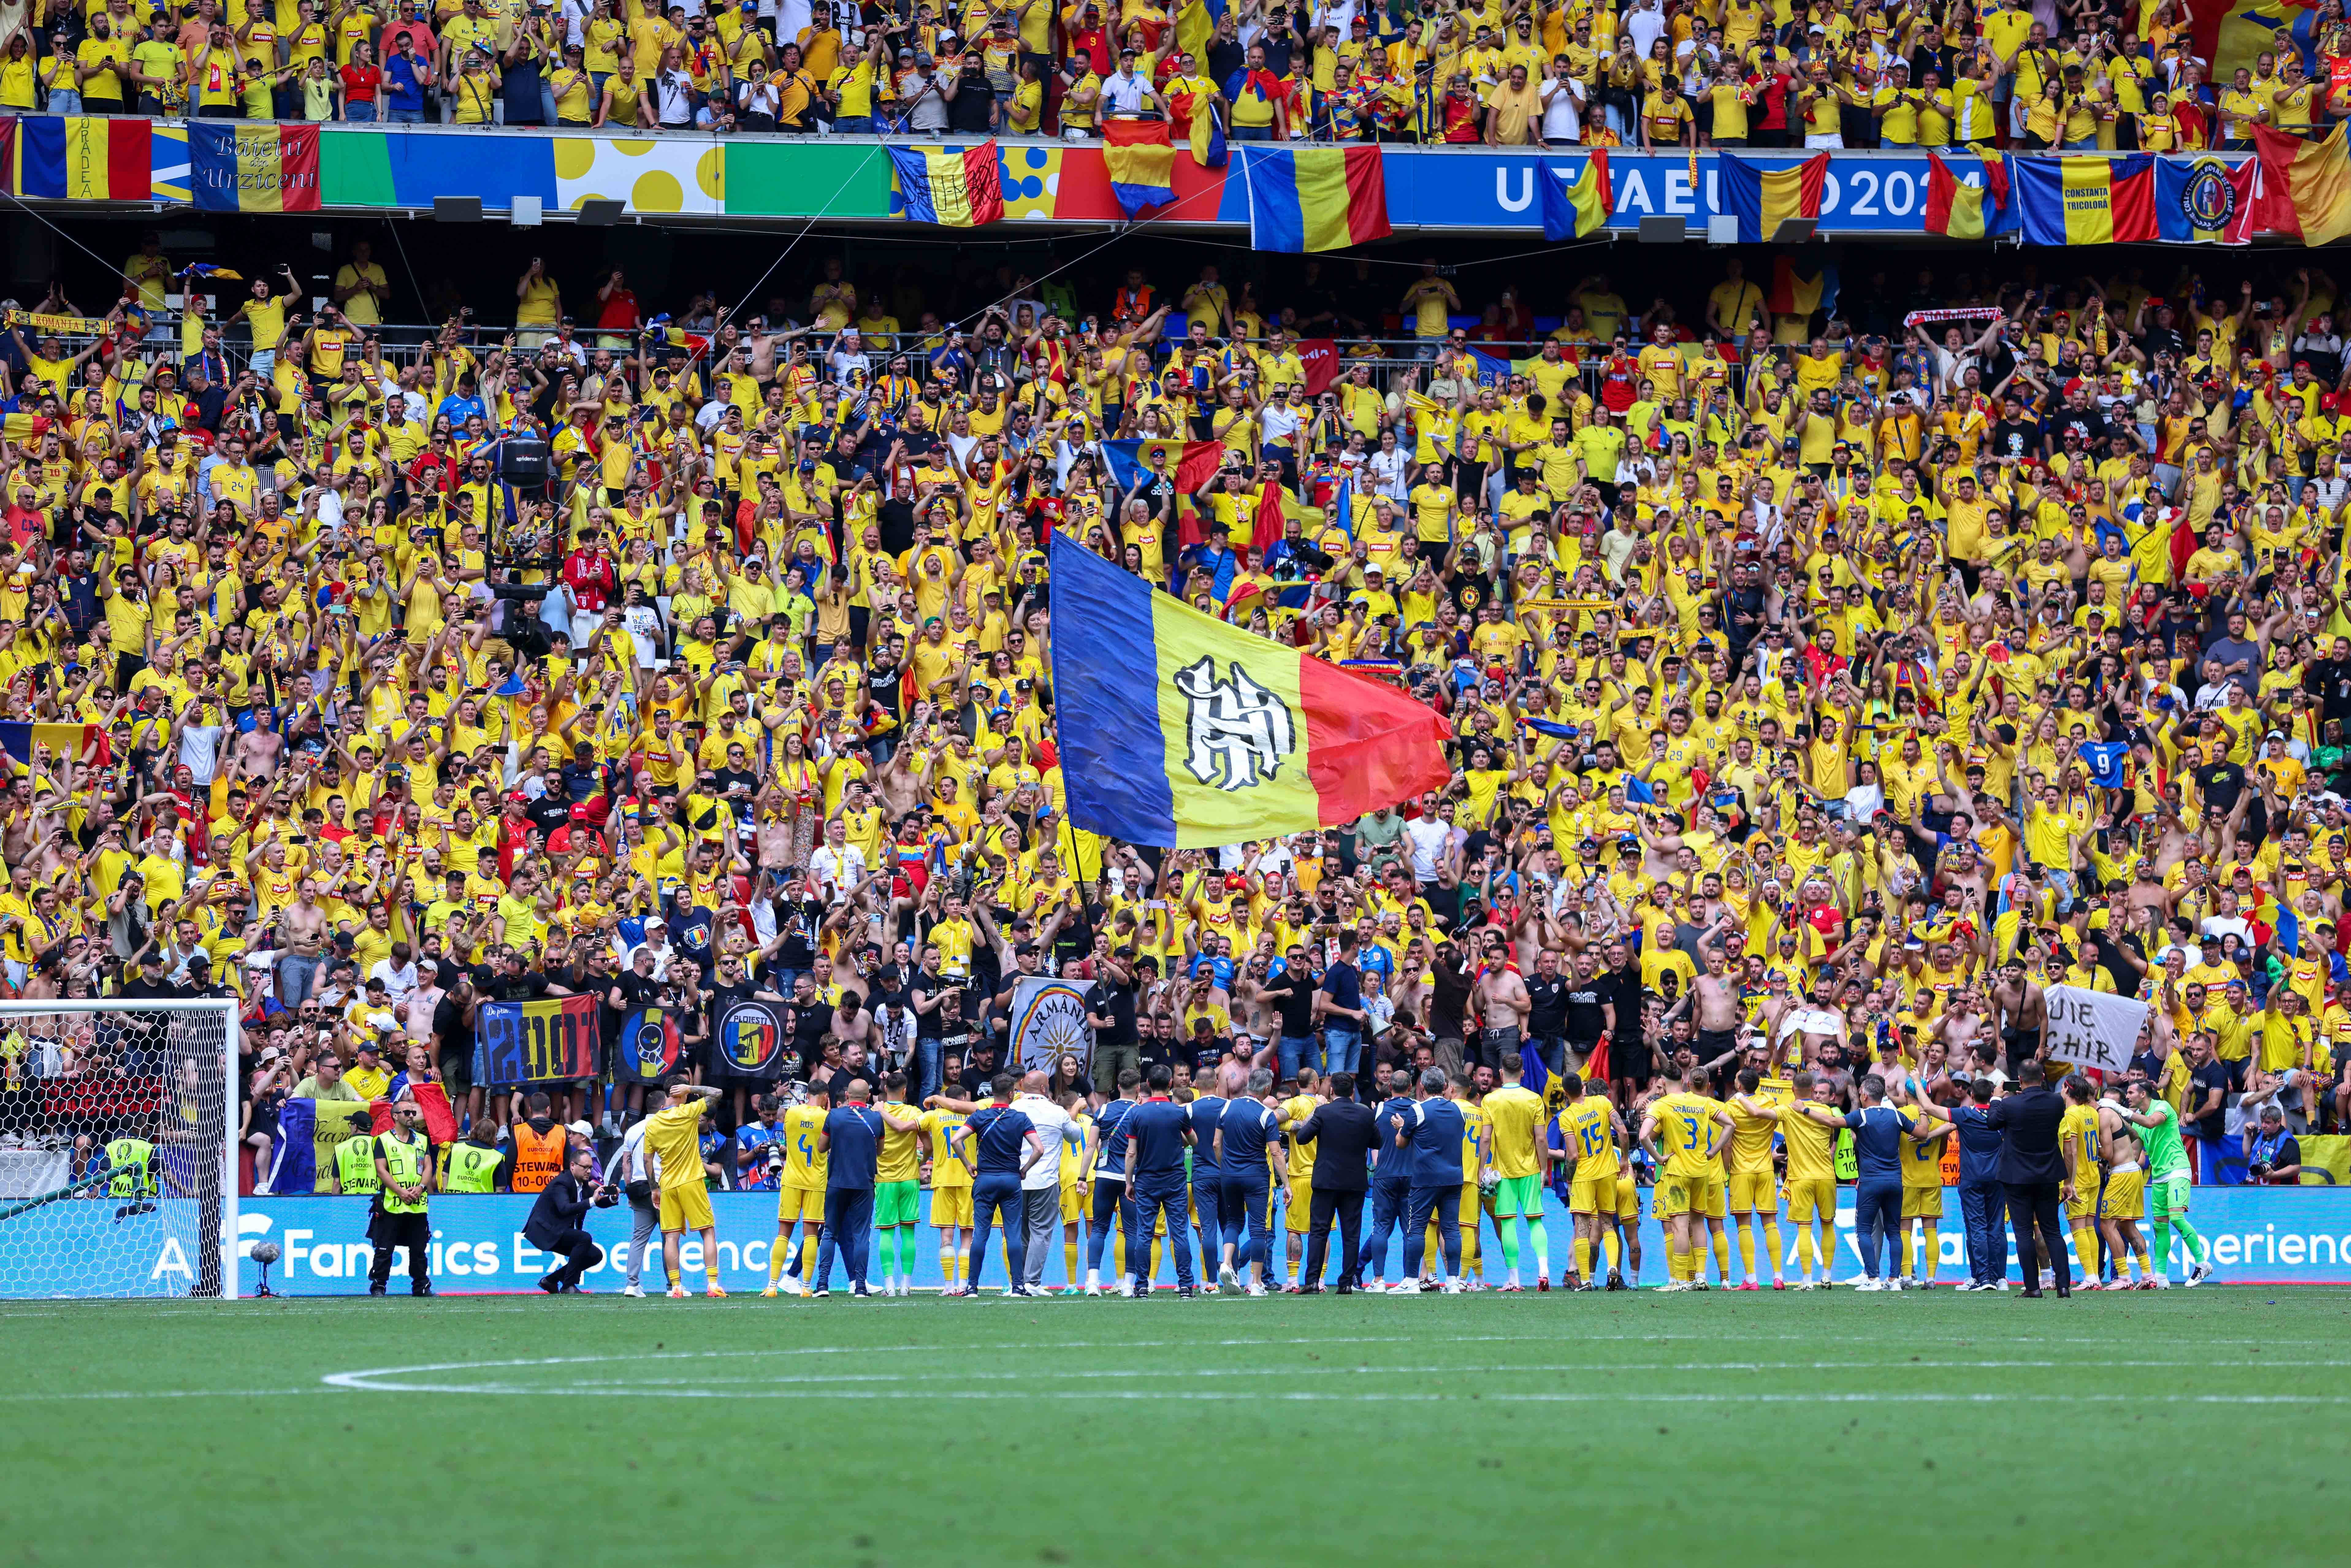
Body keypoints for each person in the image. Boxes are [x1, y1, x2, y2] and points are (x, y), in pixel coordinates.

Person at [951, 1072, 1051, 1295]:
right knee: (1013, 1234)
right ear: (1011, 1094)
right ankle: (1018, 1286)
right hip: (1011, 1180)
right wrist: (1025, 1169)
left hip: (985, 1180)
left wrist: (968, 1164)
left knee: (981, 1234)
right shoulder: (1021, 1118)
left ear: (991, 1093)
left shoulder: (979, 1116)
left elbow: (956, 1140)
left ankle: (972, 1287)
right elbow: (1039, 1149)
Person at [1987, 1060, 2073, 1299]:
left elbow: (1992, 1122)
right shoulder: (2056, 1101)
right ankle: (2063, 1286)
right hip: (2048, 1174)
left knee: (2024, 1233)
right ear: (2043, 1076)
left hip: (2017, 1177)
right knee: (2052, 1230)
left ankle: (2033, 1287)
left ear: (2019, 1079)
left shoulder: (2009, 1104)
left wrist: (1996, 1098)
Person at [644, 1075, 728, 1299]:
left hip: (668, 1185)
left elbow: (647, 1160)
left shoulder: (652, 1124)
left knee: (671, 1237)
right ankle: (713, 1284)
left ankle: (676, 1287)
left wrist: (654, 1189)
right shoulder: (689, 1111)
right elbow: (717, 1093)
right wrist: (691, 1088)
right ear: (680, 1092)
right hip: (691, 1181)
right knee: (708, 1232)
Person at [1292, 1070, 1375, 1293]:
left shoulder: (1323, 1112)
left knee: (1319, 1232)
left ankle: (1312, 1281)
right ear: (1352, 1091)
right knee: (1351, 1234)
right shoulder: (1365, 1113)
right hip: (1354, 1182)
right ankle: (1346, 1283)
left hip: (1326, 1181)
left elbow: (1302, 1138)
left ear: (1331, 1091)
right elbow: (1378, 1141)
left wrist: (1316, 1111)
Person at [1120, 1063, 1198, 1297]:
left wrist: (1129, 1183)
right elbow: (1194, 1141)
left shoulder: (1137, 1113)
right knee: (1179, 1233)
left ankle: (1142, 1286)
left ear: (1147, 1083)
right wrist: (1177, 1140)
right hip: (1175, 1180)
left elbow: (1131, 1152)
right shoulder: (1178, 1112)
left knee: (1145, 1233)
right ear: (1170, 1084)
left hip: (1147, 1180)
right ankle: (1186, 1285)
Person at [1396, 1067, 1468, 1294]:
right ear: (1445, 1087)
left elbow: (1401, 1143)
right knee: (1452, 1229)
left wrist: (1401, 1127)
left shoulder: (1417, 1110)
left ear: (1422, 1088)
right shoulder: (1458, 1111)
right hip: (1454, 1177)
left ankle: (1411, 1281)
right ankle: (1453, 1281)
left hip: (1426, 1179)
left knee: (1416, 1229)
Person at [1481, 1053, 1548, 1290]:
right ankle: (1543, 1270)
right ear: (1522, 1073)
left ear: (1501, 1073)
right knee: (1535, 1221)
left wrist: (1481, 1169)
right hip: (1530, 1170)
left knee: (1508, 1224)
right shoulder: (1534, 1099)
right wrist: (1543, 1169)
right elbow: (1541, 1139)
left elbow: (1486, 1138)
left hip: (1504, 1173)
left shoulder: (1490, 1100)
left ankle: (1515, 1279)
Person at [366, 1096, 436, 1297]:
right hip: (392, 1203)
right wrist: (401, 1191)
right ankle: (379, 1286)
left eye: (413, 1113)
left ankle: (421, 1286)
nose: (412, 1116)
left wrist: (421, 1187)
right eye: (407, 1113)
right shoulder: (383, 1140)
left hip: (417, 1204)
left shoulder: (422, 1140)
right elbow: (381, 1170)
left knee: (419, 1249)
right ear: (395, 1116)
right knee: (384, 1248)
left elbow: (428, 1166)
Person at [524, 1144, 610, 1293]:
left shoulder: (583, 1185)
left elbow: (597, 1201)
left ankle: (551, 1281)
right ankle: (568, 1286)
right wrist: (593, 1201)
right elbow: (564, 1209)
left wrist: (612, 1199)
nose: (589, 1171)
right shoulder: (562, 1183)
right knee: (584, 1238)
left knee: (595, 1255)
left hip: (558, 1230)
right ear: (573, 1166)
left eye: (591, 1168)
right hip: (545, 1231)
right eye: (585, 1167)